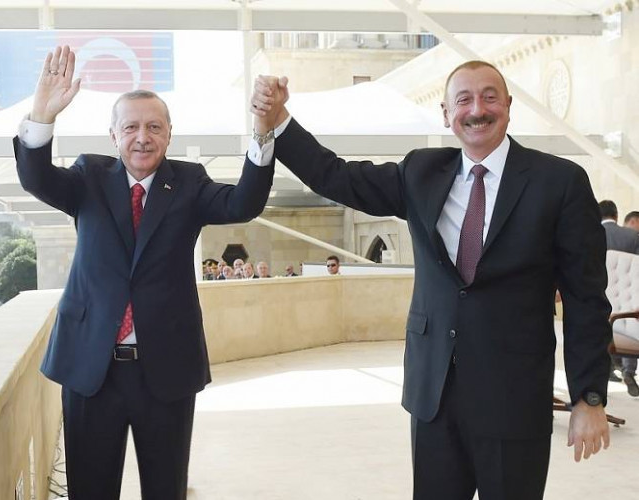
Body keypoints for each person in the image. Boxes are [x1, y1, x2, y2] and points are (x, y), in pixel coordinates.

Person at [251, 61, 611, 500]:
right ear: (446, 114)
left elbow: (586, 298)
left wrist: (589, 397)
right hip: (434, 398)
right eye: (463, 100)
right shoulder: (420, 172)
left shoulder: (560, 182)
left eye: (489, 97)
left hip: (513, 399)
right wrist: (279, 121)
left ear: (508, 106)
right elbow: (337, 176)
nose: (477, 110)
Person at [14, 45, 273, 499]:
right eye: (131, 127)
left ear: (169, 134)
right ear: (113, 135)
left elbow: (243, 203)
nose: (142, 137)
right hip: (92, 368)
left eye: (154, 127)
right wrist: (42, 115)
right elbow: (37, 179)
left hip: (166, 369)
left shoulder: (190, 183)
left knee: (165, 490)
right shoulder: (89, 177)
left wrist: (263, 133)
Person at [598, 200, 639, 396]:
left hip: (599, 293)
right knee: (629, 324)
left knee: (602, 329)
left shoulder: (591, 233)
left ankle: (604, 370)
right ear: (616, 215)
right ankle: (628, 370)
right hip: (627, 297)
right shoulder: (632, 236)